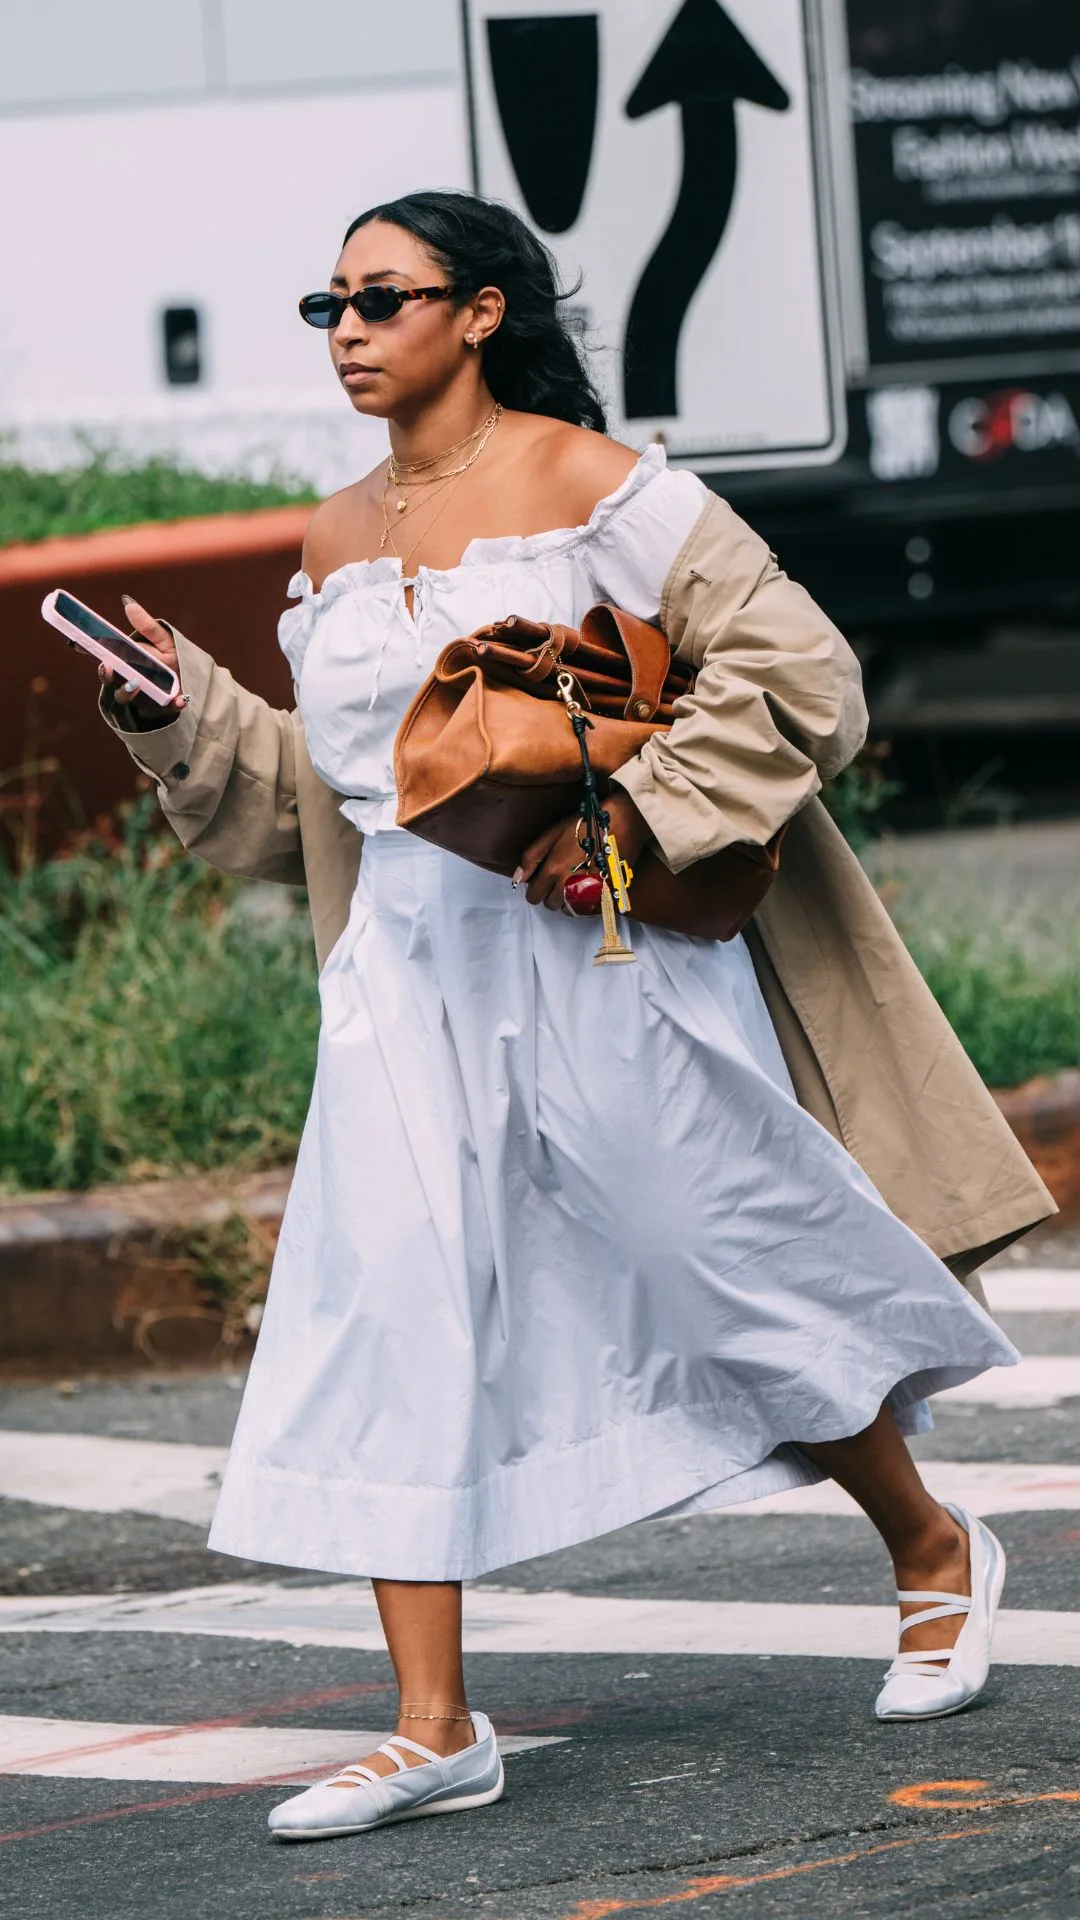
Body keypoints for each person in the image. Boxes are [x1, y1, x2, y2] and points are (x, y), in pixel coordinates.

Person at [99, 191, 1051, 1843]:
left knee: (725, 1258)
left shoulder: (602, 489)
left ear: (479, 313)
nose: (345, 331)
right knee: (387, 1305)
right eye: (324, 304)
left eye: (380, 299)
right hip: (402, 978)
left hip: (604, 958)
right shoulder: (329, 540)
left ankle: (932, 1546)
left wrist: (637, 815)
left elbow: (807, 679)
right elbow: (320, 808)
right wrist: (182, 720)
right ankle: (433, 1722)